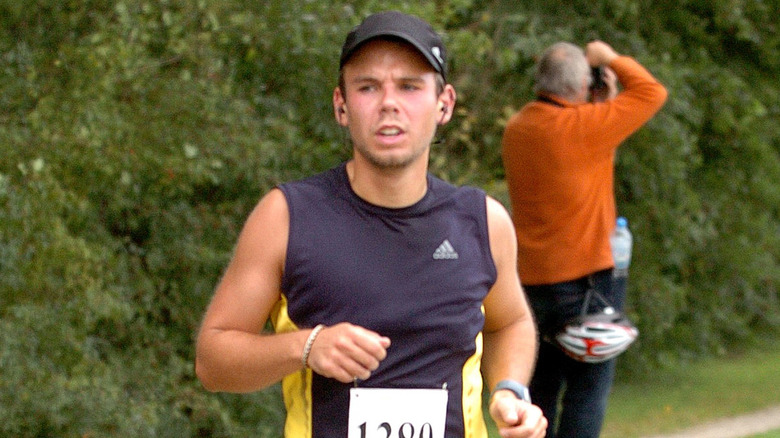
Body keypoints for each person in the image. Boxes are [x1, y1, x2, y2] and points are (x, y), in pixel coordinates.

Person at [196, 11, 547, 438]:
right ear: (341, 106)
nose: (389, 103)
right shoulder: (287, 216)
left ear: (445, 104)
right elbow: (213, 361)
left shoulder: (483, 222)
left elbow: (509, 322)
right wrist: (305, 348)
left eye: (409, 86)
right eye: (368, 87)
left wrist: (509, 391)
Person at [500, 41, 667, 438]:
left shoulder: (518, 129)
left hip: (532, 287)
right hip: (589, 286)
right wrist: (608, 57)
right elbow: (651, 92)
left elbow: (581, 155)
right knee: (586, 394)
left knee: (538, 394)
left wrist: (597, 103)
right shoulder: (587, 127)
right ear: (580, 86)